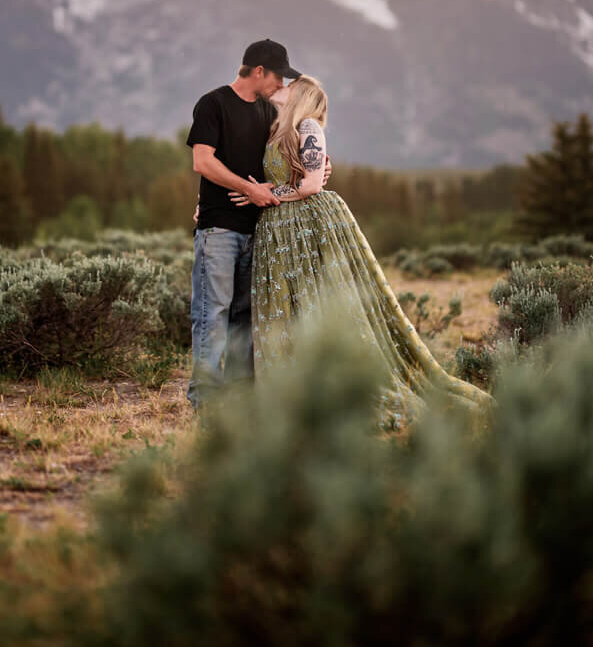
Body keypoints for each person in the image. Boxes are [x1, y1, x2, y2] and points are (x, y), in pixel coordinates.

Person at [229, 74, 494, 428]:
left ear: (302, 96)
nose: (283, 87)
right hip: (279, 233)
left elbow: (309, 186)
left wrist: (266, 195)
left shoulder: (308, 126)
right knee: (288, 309)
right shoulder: (275, 129)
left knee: (318, 301)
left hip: (308, 227)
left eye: (290, 85)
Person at [185, 40, 332, 413]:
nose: (281, 85)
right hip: (220, 228)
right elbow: (203, 162)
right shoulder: (213, 104)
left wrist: (321, 168)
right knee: (212, 313)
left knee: (245, 317)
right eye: (278, 76)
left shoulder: (270, 112)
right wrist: (248, 188)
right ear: (259, 72)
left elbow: (293, 154)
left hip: (262, 230)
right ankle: (204, 400)